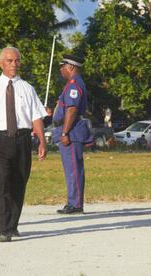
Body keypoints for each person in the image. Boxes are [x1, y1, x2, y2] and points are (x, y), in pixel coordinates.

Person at [0, 47, 47, 242]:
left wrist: (42, 141)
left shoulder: (27, 88)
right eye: (9, 60)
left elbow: (36, 117)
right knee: (1, 184)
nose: (14, 64)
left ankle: (13, 224)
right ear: (1, 63)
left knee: (18, 183)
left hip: (22, 141)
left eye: (17, 60)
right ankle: (3, 228)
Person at [52, 54, 93, 214]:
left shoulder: (74, 85)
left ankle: (75, 204)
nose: (61, 70)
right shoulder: (71, 84)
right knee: (71, 167)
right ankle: (73, 201)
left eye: (63, 66)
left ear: (71, 67)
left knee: (73, 168)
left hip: (72, 132)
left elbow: (72, 109)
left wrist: (64, 132)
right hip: (70, 130)